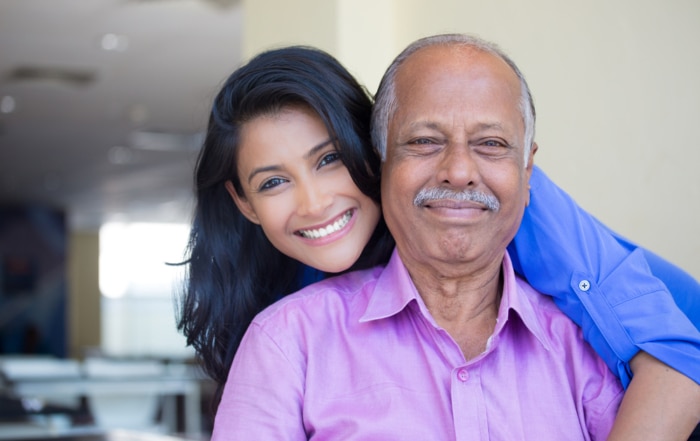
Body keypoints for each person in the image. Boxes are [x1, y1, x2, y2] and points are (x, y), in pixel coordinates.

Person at [178, 43, 700, 437]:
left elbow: (680, 360)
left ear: (370, 153)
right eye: (273, 182)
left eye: (328, 159)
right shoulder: (288, 321)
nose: (314, 203)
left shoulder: (516, 211)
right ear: (243, 202)